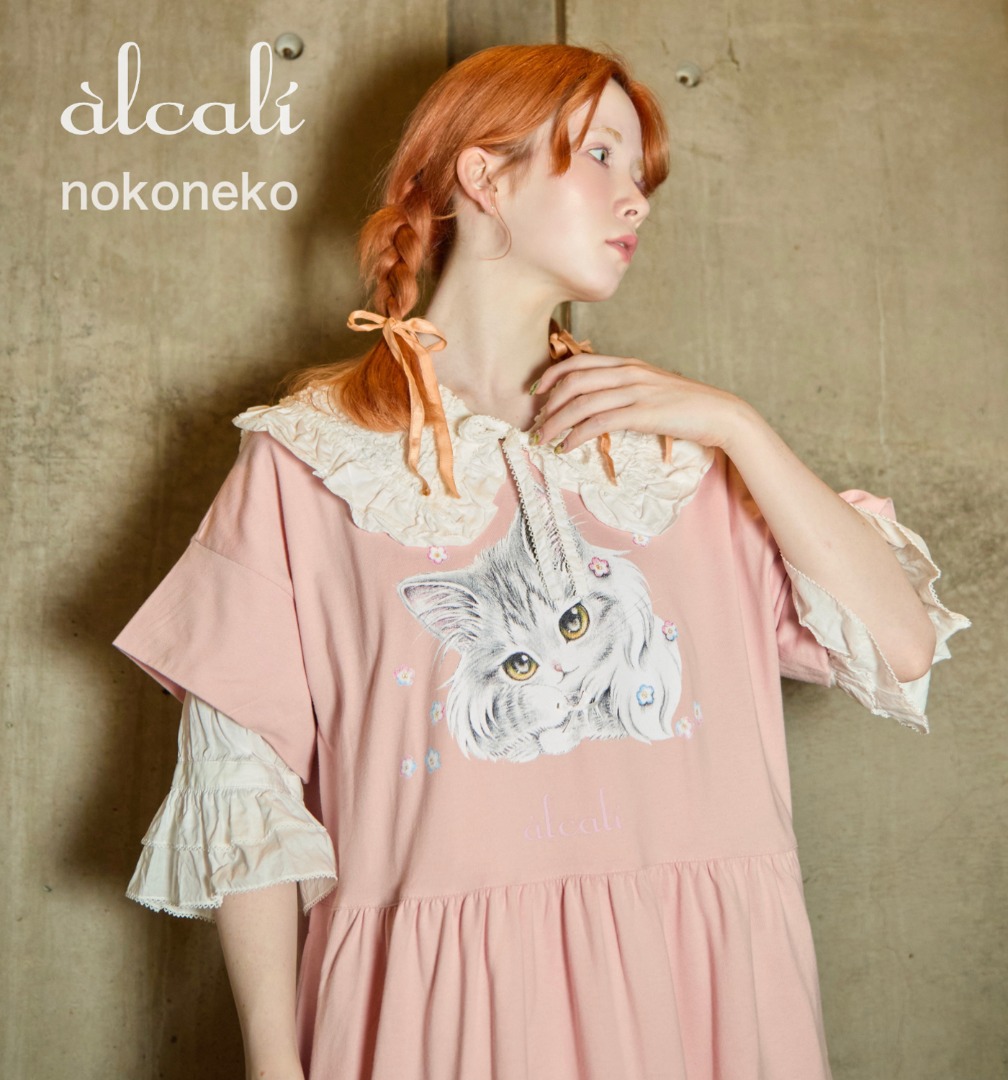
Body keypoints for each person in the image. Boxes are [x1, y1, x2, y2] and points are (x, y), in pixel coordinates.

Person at [115, 43, 968, 1080]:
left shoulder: (679, 454)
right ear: (483, 175)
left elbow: (900, 645)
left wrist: (740, 427)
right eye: (601, 155)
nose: (636, 198)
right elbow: (242, 784)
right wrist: (274, 1064)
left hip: (698, 993)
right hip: (438, 1010)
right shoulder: (311, 456)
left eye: (641, 174)